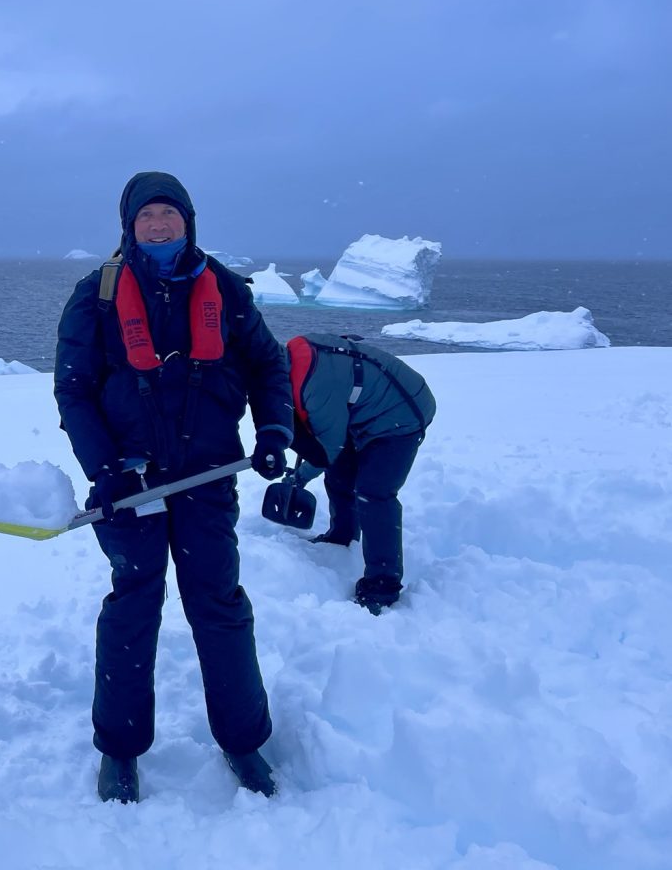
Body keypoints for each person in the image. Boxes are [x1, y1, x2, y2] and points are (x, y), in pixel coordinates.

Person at [54, 171, 294, 803]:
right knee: (134, 605)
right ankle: (121, 750)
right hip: (129, 485)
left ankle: (244, 740)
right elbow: (74, 391)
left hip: (208, 478)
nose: (158, 226)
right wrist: (103, 468)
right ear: (128, 226)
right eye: (146, 217)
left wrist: (274, 428)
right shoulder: (95, 297)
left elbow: (269, 364)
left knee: (218, 603)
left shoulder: (228, 291)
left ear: (189, 221)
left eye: (170, 214)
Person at [284, 333, 436, 614]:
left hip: (402, 413)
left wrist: (300, 477)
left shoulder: (314, 385)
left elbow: (328, 448)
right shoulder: (292, 367)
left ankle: (383, 584)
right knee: (340, 474)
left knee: (374, 492)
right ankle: (342, 536)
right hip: (365, 412)